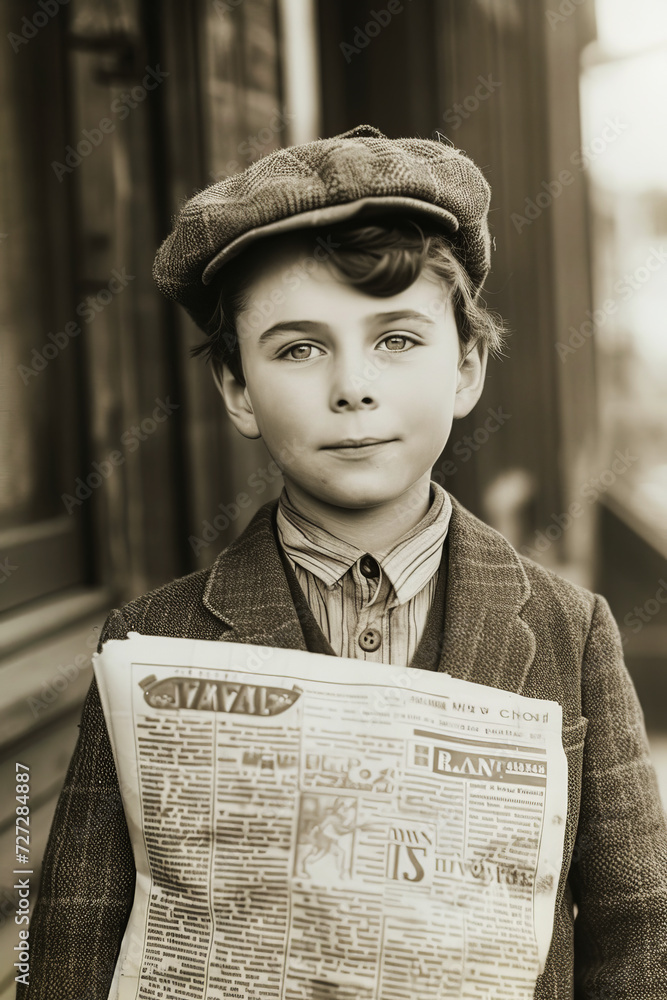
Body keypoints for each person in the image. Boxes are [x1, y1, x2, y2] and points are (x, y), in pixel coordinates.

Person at [21, 124, 667, 999]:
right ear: (237, 390)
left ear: (468, 367)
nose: (351, 386)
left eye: (396, 339)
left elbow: (639, 923)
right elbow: (72, 936)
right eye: (298, 348)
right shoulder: (149, 638)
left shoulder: (570, 629)